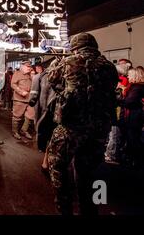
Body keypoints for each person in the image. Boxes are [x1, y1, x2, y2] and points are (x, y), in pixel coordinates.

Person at [47, 32, 118, 215]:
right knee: (88, 172)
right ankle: (90, 210)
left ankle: (65, 210)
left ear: (75, 46)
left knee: (59, 170)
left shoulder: (67, 62)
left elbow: (53, 81)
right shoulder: (108, 66)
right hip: (98, 128)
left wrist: (57, 63)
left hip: (72, 127)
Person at [29, 64, 57, 174]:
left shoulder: (41, 76)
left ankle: (48, 162)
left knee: (52, 137)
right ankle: (47, 162)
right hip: (50, 112)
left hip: (53, 113)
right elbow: (34, 94)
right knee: (51, 137)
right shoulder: (41, 77)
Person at [119, 67, 144, 168]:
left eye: (129, 75)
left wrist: (118, 101)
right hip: (135, 115)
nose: (127, 77)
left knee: (133, 138)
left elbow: (129, 102)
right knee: (133, 138)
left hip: (134, 116)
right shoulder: (137, 87)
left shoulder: (137, 87)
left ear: (135, 76)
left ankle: (134, 161)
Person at [11, 60, 34, 140]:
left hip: (29, 98)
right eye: (28, 67)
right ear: (22, 66)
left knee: (30, 115)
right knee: (17, 116)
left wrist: (32, 75)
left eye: (30, 66)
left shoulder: (30, 74)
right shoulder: (17, 73)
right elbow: (13, 84)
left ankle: (23, 130)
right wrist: (21, 91)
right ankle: (15, 132)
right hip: (19, 99)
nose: (29, 68)